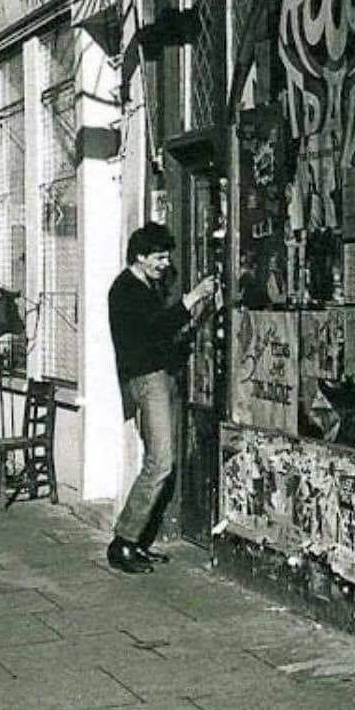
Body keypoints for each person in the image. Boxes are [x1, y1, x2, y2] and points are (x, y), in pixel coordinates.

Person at [107, 222, 215, 573]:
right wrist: (193, 297)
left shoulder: (143, 286)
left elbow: (159, 332)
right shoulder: (126, 290)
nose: (165, 263)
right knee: (161, 461)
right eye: (159, 257)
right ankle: (123, 542)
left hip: (159, 377)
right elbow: (153, 328)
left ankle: (136, 541)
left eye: (166, 257)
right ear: (139, 256)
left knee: (160, 461)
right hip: (147, 381)